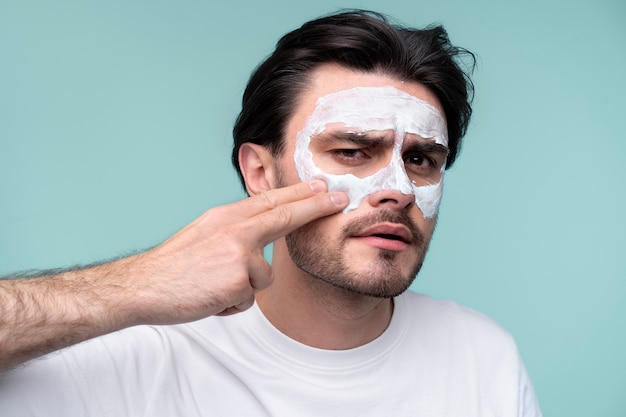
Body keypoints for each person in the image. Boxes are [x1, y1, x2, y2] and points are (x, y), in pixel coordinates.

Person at [0, 9, 542, 416]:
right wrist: (133, 287)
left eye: (422, 159)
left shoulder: (483, 357)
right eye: (352, 152)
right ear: (260, 173)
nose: (397, 190)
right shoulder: (130, 358)